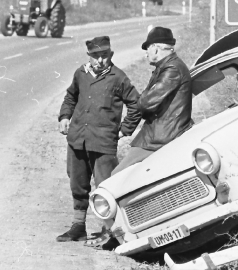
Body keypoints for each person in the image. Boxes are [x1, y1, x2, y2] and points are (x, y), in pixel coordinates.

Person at [56, 36, 142, 244]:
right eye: (96, 56)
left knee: (105, 186)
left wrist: (123, 130)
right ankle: (78, 227)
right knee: (78, 183)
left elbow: (137, 104)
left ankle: (109, 231)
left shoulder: (118, 78)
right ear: (89, 56)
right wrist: (65, 117)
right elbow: (70, 97)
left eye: (104, 55)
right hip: (78, 138)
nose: (100, 60)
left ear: (111, 55)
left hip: (103, 142)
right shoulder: (81, 74)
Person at [111, 26, 193, 175]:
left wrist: (142, 98)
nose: (146, 54)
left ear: (155, 48)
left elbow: (145, 102)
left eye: (147, 49)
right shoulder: (166, 67)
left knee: (117, 177)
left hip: (160, 137)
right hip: (159, 134)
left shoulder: (172, 69)